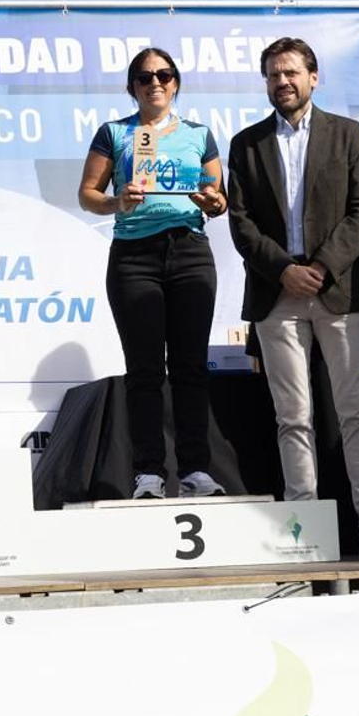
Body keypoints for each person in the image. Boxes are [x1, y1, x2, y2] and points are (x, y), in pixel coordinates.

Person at [226, 37, 359, 559]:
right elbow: (240, 223)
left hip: (342, 292)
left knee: (357, 413)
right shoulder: (246, 144)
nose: (281, 82)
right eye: (272, 75)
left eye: (290, 73)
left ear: (313, 77)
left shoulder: (347, 134)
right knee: (293, 416)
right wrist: (284, 269)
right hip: (276, 294)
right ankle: (301, 529)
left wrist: (323, 266)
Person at [77, 48, 227, 499]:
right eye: (144, 77)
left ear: (176, 83)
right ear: (132, 87)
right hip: (134, 256)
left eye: (163, 75)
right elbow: (87, 193)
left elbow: (219, 197)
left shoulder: (199, 134)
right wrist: (116, 202)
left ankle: (196, 470)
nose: (154, 82)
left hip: (189, 253)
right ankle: (148, 473)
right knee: (144, 369)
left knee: (190, 368)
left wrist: (214, 202)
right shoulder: (115, 133)